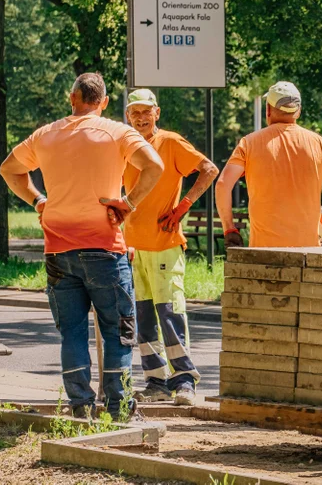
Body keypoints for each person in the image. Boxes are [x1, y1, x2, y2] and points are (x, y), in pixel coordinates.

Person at [0, 73, 164, 419]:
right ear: (103, 102)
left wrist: (37, 200)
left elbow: (8, 169)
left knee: (72, 333)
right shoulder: (117, 132)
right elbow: (154, 165)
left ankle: (80, 407)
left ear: (71, 98)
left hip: (58, 251)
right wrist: (128, 202)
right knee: (118, 332)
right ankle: (119, 410)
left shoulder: (45, 135)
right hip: (105, 248)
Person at [116, 88, 219, 406]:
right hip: (134, 248)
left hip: (164, 245)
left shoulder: (171, 143)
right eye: (135, 112)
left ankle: (185, 381)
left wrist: (184, 205)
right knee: (143, 318)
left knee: (170, 313)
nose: (141, 117)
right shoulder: (124, 146)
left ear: (156, 113)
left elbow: (209, 169)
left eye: (147, 112)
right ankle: (156, 382)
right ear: (128, 116)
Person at [216, 81, 322, 248]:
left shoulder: (249, 143)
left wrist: (229, 230)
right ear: (298, 111)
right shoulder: (320, 144)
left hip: (263, 252)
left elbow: (223, 184)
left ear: (268, 110)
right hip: (307, 252)